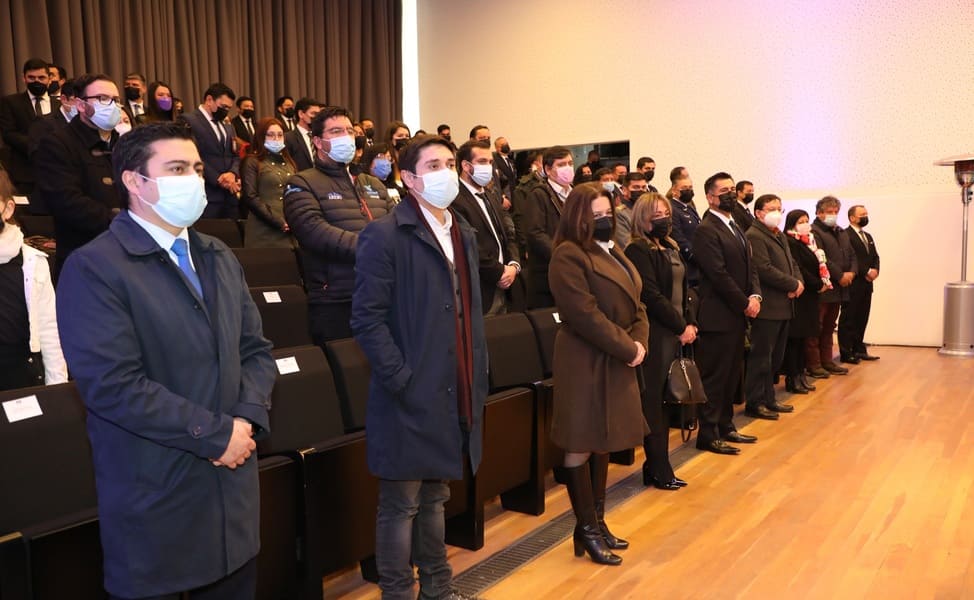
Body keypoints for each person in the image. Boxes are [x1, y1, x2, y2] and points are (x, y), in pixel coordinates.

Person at [56, 121, 276, 600]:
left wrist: (245, 420)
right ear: (134, 181)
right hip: (158, 499)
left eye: (196, 168)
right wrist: (216, 435)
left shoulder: (218, 254)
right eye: (176, 169)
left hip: (233, 500)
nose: (194, 179)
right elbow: (113, 385)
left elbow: (256, 351)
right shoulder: (94, 267)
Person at [351, 134, 486, 600]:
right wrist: (401, 379)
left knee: (435, 497)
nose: (445, 172)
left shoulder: (462, 232)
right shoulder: (385, 234)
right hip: (407, 392)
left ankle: (438, 589)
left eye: (449, 163)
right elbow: (366, 320)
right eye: (433, 165)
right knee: (401, 504)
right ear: (409, 178)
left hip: (452, 387)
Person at [549, 182, 648, 565]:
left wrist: (639, 343)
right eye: (597, 215)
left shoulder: (613, 249)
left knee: (605, 437)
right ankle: (587, 529)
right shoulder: (568, 255)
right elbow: (584, 314)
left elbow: (637, 305)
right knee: (581, 440)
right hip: (585, 360)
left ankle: (596, 523)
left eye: (608, 213)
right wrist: (628, 348)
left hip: (618, 355)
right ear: (578, 217)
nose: (605, 220)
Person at [284, 106, 392, 343]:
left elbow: (396, 226)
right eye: (336, 131)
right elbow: (314, 231)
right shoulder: (302, 183)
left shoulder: (372, 183)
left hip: (383, 293)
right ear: (318, 141)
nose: (346, 137)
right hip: (336, 299)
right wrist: (374, 248)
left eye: (349, 131)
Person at [624, 193, 693, 490]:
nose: (664, 218)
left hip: (676, 331)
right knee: (654, 403)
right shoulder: (637, 249)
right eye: (656, 214)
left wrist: (690, 321)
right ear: (642, 217)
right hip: (657, 333)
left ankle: (656, 466)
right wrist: (680, 326)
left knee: (667, 400)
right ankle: (658, 467)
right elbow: (651, 295)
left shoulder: (671, 245)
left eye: (666, 213)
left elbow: (683, 290)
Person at [692, 172, 761, 455]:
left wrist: (755, 295)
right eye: (724, 191)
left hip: (737, 314)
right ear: (710, 197)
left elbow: (750, 266)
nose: (731, 194)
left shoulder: (735, 226)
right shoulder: (706, 229)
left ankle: (725, 425)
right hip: (718, 315)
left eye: (733, 189)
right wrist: (744, 302)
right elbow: (717, 274)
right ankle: (708, 433)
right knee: (715, 377)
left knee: (732, 375)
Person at [32, 73, 122, 280]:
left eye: (116, 100)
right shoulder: (58, 143)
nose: (112, 106)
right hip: (84, 254)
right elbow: (66, 201)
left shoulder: (125, 144)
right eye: (102, 98)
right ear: (81, 105)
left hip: (127, 252)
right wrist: (120, 222)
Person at [0, 169, 67, 391]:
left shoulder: (33, 262)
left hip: (19, 377)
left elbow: (49, 329)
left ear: (8, 208)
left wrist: (57, 389)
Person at [744, 194, 803, 419]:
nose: (777, 213)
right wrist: (792, 284)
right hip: (768, 306)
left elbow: (792, 263)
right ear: (759, 213)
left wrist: (799, 282)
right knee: (761, 358)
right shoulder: (755, 235)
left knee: (775, 358)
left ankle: (769, 398)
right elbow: (764, 269)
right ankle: (755, 402)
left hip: (784, 305)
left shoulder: (778, 234)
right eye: (771, 209)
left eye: (779, 208)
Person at [452, 140, 520, 315]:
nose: (488, 167)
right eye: (482, 162)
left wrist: (513, 265)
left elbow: (508, 234)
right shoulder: (455, 199)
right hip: (482, 287)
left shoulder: (490, 195)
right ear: (466, 166)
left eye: (490, 162)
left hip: (507, 284)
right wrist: (499, 272)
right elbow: (468, 245)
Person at [807, 196, 856, 378]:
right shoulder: (814, 232)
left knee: (829, 326)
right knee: (816, 327)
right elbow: (821, 258)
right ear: (819, 213)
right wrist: (840, 275)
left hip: (839, 289)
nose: (833, 215)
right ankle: (814, 364)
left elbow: (852, 254)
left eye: (836, 212)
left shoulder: (841, 231)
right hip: (824, 287)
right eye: (829, 212)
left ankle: (827, 360)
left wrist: (852, 272)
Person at [522, 146, 574, 308]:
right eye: (561, 164)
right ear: (548, 169)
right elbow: (535, 233)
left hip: (575, 272)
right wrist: (562, 256)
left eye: (570, 163)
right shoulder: (539, 194)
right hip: (547, 274)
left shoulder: (576, 194)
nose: (568, 168)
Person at [782, 209, 828, 394]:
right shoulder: (791, 242)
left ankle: (801, 374)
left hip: (810, 296)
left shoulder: (809, 241)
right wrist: (817, 284)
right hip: (800, 294)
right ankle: (793, 377)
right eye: (800, 221)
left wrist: (823, 282)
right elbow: (799, 268)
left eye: (806, 220)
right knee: (795, 338)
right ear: (792, 223)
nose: (805, 224)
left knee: (804, 338)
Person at [179, 82, 241, 219]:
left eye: (229, 108)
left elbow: (235, 154)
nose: (225, 111)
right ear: (209, 100)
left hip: (229, 195)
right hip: (207, 193)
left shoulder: (227, 124)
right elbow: (190, 156)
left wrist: (232, 173)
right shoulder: (189, 120)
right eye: (223, 107)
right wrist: (218, 178)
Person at [0, 58, 59, 194]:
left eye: (41, 77)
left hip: (57, 171)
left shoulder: (60, 105)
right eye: (31, 77)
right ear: (24, 78)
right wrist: (39, 146)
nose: (36, 81)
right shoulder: (10, 102)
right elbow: (9, 134)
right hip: (25, 172)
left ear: (49, 79)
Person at [240, 118, 296, 249]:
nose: (276, 139)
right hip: (264, 229)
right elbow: (250, 197)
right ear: (261, 137)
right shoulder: (252, 161)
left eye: (280, 135)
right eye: (270, 135)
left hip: (291, 228)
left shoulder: (289, 162)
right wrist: (277, 221)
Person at [838, 204, 881, 362]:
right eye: (862, 215)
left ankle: (859, 349)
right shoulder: (845, 235)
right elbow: (851, 258)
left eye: (866, 214)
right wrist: (866, 271)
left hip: (867, 284)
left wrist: (875, 270)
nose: (865, 217)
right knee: (849, 318)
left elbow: (875, 256)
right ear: (852, 218)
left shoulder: (867, 236)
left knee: (862, 317)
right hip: (853, 283)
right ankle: (846, 351)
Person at [666, 171, 701, 286]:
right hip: (687, 264)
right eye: (685, 188)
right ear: (674, 191)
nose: (689, 191)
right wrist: (695, 256)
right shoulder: (672, 208)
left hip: (698, 266)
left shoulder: (689, 208)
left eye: (690, 188)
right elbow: (677, 237)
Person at [283, 97, 322, 172]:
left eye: (318, 114)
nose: (317, 117)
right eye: (313, 113)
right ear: (301, 114)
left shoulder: (320, 137)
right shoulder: (288, 138)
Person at [614, 171, 649, 247]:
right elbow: (626, 244)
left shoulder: (648, 210)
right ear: (624, 190)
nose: (641, 190)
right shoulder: (619, 213)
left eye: (643, 187)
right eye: (636, 187)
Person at [493, 136, 516, 208]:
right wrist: (502, 196)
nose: (506, 145)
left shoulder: (510, 160)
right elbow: (496, 179)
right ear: (497, 148)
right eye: (503, 144)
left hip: (514, 195)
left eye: (506, 143)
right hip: (505, 196)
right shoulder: (494, 160)